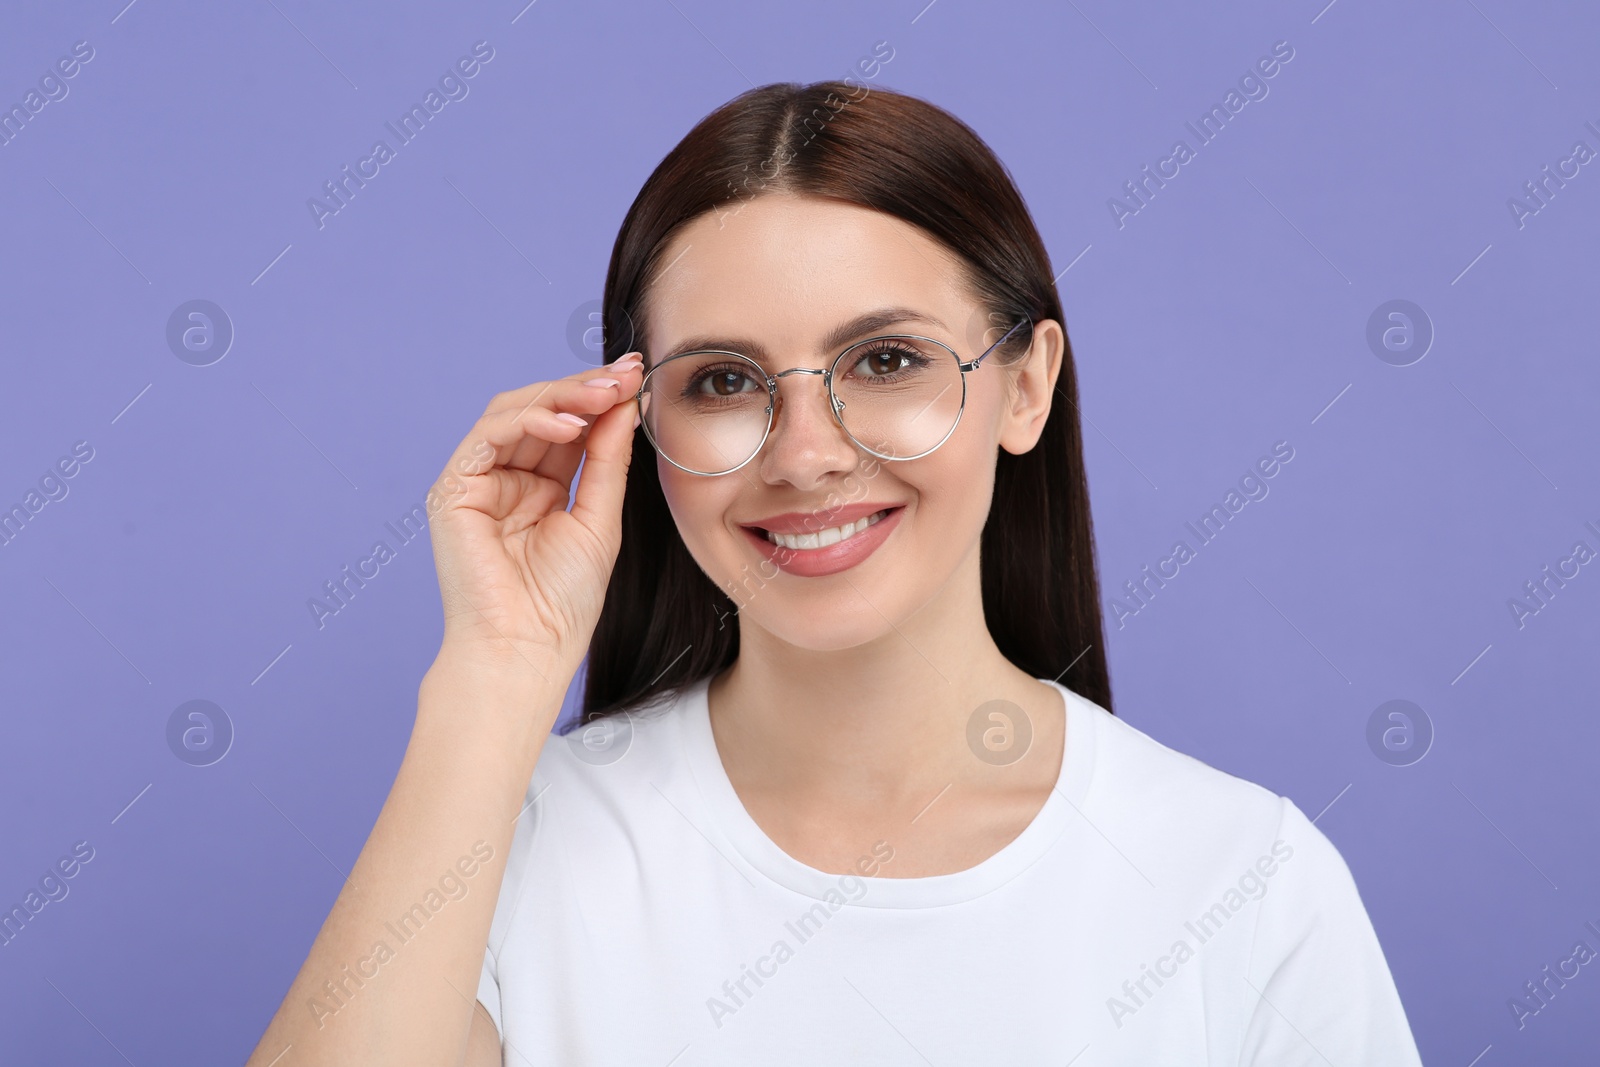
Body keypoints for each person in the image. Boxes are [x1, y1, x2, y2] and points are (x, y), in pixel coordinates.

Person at [246, 80, 1424, 1066]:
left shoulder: (1240, 879)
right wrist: (493, 675)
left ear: (1024, 384)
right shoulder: (507, 846)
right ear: (635, 421)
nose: (806, 454)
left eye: (887, 358)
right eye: (720, 380)